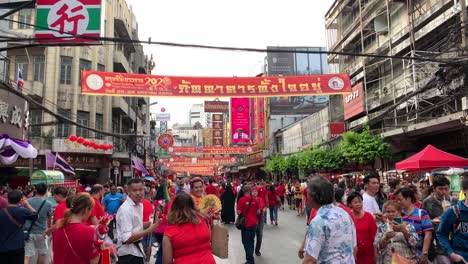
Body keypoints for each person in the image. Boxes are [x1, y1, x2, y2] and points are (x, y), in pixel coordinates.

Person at [299, 176, 357, 264]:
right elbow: (354, 248)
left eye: (308, 193)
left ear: (312, 196)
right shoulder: (344, 214)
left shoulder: (318, 221)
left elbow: (310, 260)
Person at [162, 192, 215, 264]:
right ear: (193, 205)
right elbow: (210, 241)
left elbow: (167, 262)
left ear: (173, 208)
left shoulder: (169, 233)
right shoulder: (202, 220)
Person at [116, 178, 159, 264]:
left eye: (140, 189)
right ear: (128, 191)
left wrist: (146, 224)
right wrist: (149, 230)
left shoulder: (139, 205)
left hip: (137, 251)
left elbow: (133, 226)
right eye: (134, 190)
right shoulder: (126, 209)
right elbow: (126, 238)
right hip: (128, 254)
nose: (138, 193)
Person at [52, 193, 101, 264]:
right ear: (86, 209)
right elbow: (94, 261)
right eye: (91, 210)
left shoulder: (58, 229)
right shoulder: (89, 231)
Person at [421, 175, 458, 263]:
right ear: (434, 189)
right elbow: (421, 223)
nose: (444, 192)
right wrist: (430, 222)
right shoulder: (427, 203)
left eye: (446, 189)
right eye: (440, 189)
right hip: (437, 246)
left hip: (454, 244)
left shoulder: (454, 202)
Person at [395, 187, 433, 264]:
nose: (398, 202)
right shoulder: (397, 215)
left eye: (400, 199)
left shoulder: (421, 213)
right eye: (397, 200)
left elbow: (428, 234)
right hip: (401, 256)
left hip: (417, 254)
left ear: (408, 198)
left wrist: (424, 253)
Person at [436, 176, 468, 263]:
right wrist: (451, 254)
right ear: (464, 190)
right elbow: (441, 234)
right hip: (461, 258)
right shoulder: (453, 211)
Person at [0, 190, 38, 263]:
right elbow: (36, 215)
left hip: (2, 248)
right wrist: (27, 204)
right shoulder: (22, 211)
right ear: (20, 200)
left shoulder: (1, 212)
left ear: (8, 199)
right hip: (17, 246)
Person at [24, 183, 53, 264]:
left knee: (27, 255)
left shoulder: (28, 201)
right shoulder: (48, 204)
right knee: (42, 253)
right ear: (46, 191)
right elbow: (50, 217)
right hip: (42, 232)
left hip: (28, 231)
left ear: (35, 190)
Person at [347, 191, 377, 264]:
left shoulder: (369, 216)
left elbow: (375, 236)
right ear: (350, 204)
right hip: (353, 252)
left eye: (360, 202)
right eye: (355, 202)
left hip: (368, 252)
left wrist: (376, 252)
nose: (358, 204)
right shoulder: (347, 217)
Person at [237, 184, 261, 264]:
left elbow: (238, 212)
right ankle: (250, 258)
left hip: (246, 224)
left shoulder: (241, 200)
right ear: (250, 191)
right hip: (254, 224)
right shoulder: (255, 200)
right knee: (251, 241)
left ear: (243, 191)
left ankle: (250, 260)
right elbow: (258, 211)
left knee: (246, 243)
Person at [252, 186, 266, 257]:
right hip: (253, 219)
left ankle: (257, 250)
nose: (255, 192)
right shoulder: (250, 200)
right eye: (253, 191)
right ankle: (251, 250)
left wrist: (263, 210)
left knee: (260, 235)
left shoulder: (260, 199)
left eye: (256, 191)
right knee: (252, 236)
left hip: (260, 218)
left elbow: (264, 207)